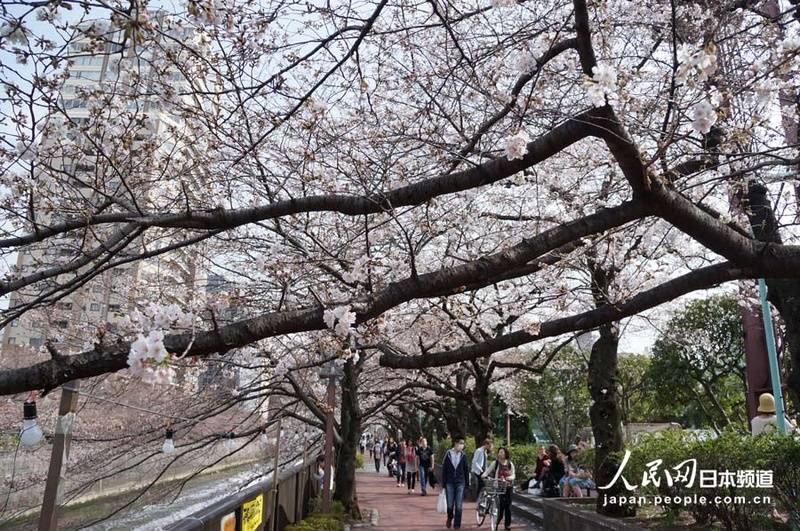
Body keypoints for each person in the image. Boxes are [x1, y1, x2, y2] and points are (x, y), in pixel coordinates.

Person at [482, 447, 515, 531]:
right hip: (499, 487)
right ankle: (497, 522)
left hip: (508, 487)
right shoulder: (495, 463)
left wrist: (508, 478)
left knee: (508, 507)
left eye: (502, 452)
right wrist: (484, 475)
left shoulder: (510, 464)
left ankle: (507, 525)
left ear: (505, 454)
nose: (500, 454)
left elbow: (513, 475)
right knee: (501, 506)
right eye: (499, 452)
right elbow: (488, 471)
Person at [442, 438, 470, 529]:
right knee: (450, 505)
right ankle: (450, 517)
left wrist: (467, 485)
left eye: (463, 444)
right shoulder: (448, 454)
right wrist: (444, 483)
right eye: (460, 443)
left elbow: (466, 470)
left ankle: (457, 525)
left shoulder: (463, 455)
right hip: (449, 482)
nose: (462, 446)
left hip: (460, 483)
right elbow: (444, 469)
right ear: (455, 443)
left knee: (459, 505)